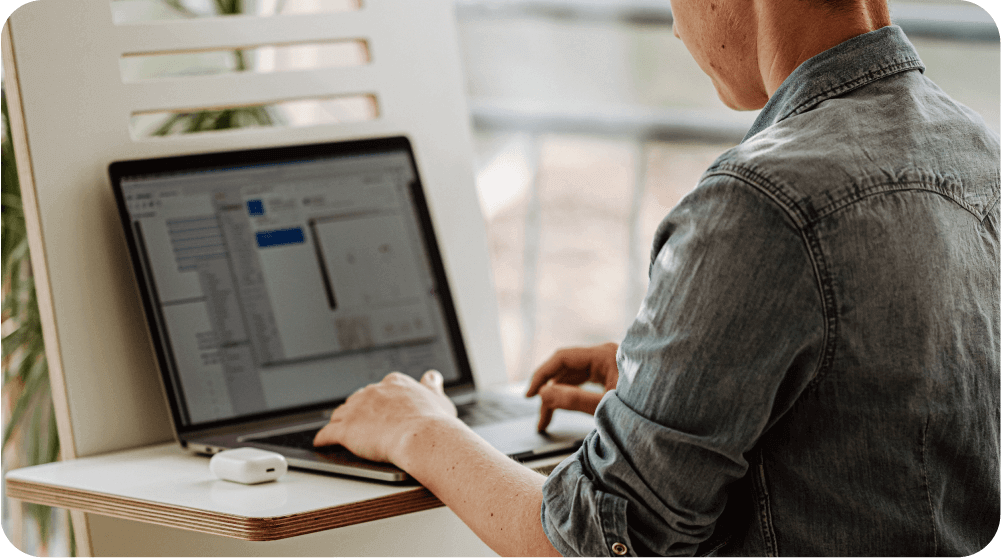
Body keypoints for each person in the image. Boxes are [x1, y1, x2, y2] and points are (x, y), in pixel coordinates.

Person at [314, 0, 1001, 555]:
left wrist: (419, 429)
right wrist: (684, 388)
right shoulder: (974, 149)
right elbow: (906, 425)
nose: (673, 25)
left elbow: (595, 541)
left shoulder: (761, 199)